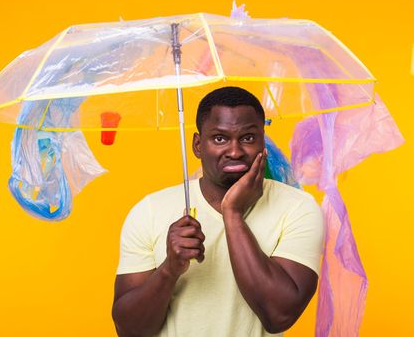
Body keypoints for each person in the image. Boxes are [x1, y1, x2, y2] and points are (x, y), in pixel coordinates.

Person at [112, 86, 324, 337]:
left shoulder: (298, 208)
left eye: (247, 138)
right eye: (220, 138)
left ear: (262, 143)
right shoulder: (149, 211)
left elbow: (279, 315)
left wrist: (232, 213)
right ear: (198, 145)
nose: (234, 151)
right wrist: (169, 269)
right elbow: (129, 330)